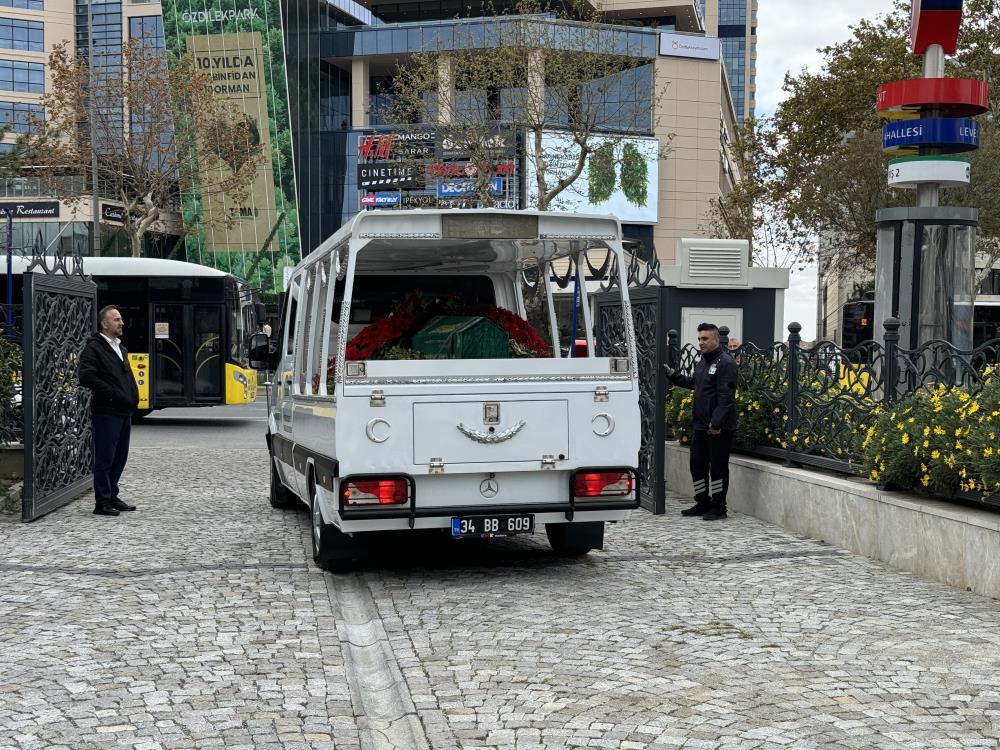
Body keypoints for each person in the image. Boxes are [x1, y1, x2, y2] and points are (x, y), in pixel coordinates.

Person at [663, 323, 738, 521]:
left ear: (715, 339)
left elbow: (726, 397)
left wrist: (716, 423)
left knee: (718, 469)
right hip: (701, 426)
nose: (700, 342)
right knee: (697, 466)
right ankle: (702, 501)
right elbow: (693, 384)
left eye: (704, 339)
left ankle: (718, 506)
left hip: (719, 428)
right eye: (699, 339)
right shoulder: (703, 362)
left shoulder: (726, 363)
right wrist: (673, 375)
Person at [78, 305, 140, 517]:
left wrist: (133, 397)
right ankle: (102, 502)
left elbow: (126, 376)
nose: (121, 323)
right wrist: (113, 393)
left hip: (123, 411)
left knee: (120, 457)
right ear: (104, 323)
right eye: (116, 319)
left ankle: (112, 495)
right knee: (105, 458)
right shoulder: (94, 348)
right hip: (106, 411)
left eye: (120, 319)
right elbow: (86, 376)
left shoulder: (120, 348)